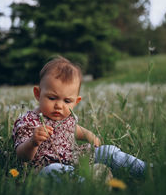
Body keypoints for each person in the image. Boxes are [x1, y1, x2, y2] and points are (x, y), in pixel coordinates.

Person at [13, 57, 146, 179]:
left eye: (67, 101)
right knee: (55, 170)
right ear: (38, 94)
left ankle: (147, 171)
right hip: (45, 167)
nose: (59, 105)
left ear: (76, 102)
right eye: (52, 98)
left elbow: (73, 129)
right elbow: (21, 156)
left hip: (75, 158)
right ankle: (87, 183)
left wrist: (89, 135)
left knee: (108, 152)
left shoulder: (66, 118)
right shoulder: (28, 121)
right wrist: (32, 142)